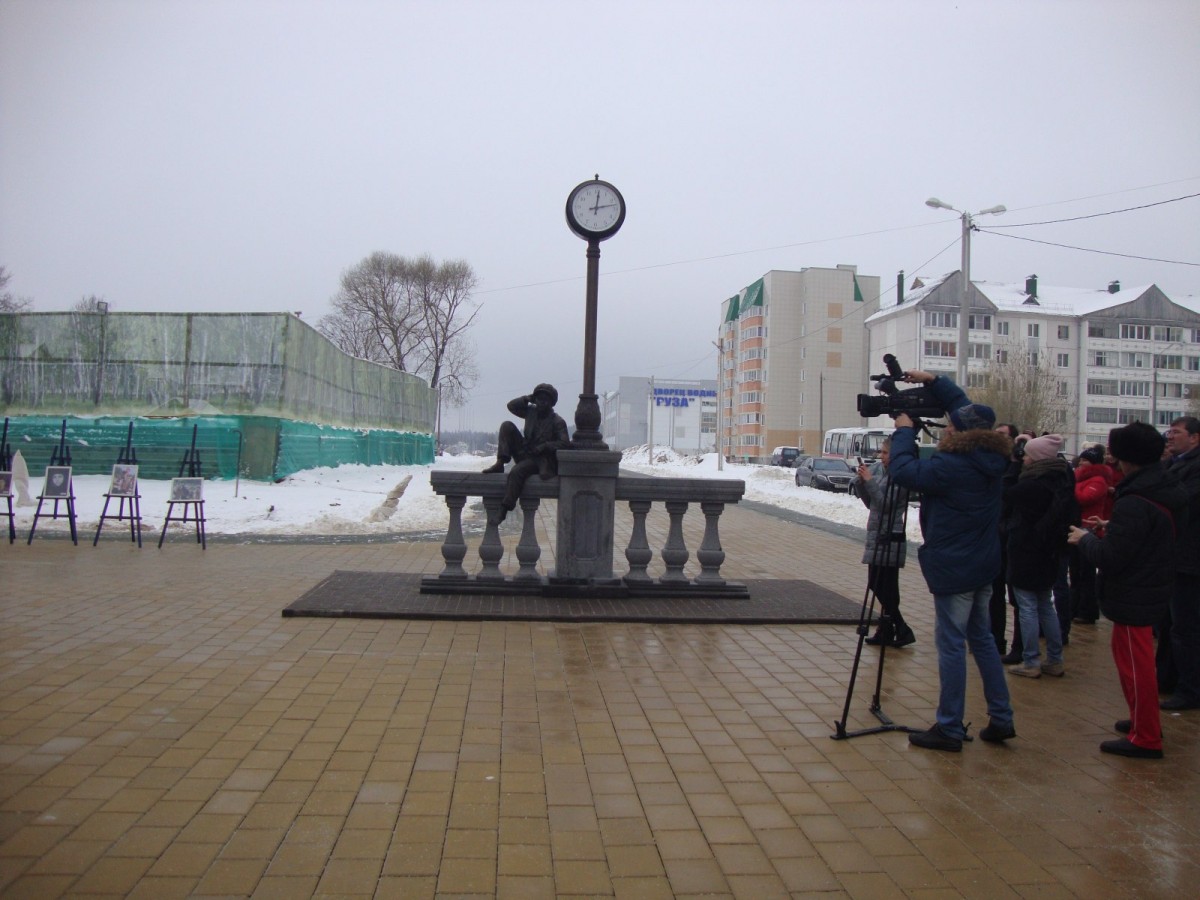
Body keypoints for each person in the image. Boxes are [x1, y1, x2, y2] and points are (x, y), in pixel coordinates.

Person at [888, 370, 1016, 752]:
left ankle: (949, 727)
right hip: (982, 563)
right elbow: (964, 408)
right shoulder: (990, 456)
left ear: (959, 434)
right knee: (983, 640)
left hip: (955, 567)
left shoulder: (953, 466)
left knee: (952, 645)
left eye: (949, 428)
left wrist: (904, 432)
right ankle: (1002, 717)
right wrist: (933, 380)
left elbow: (903, 471)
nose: (945, 430)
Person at [1068, 422, 1186, 759]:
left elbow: (1111, 556)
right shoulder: (1161, 486)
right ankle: (1142, 720)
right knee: (1136, 664)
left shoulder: (1136, 499)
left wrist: (1085, 539)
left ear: (1127, 457)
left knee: (1136, 667)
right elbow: (1148, 532)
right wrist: (1112, 527)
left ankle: (1146, 737)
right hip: (1149, 583)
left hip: (1135, 590)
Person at [1002, 434, 1073, 679]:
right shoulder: (1061, 479)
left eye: (1028, 454)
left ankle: (1031, 660)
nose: (1024, 458)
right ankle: (1055, 659)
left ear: (1038, 458)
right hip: (1048, 551)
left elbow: (1006, 492)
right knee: (1045, 605)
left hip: (1026, 550)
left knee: (1027, 607)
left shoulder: (1033, 485)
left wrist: (1013, 464)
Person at [853, 438, 915, 648]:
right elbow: (871, 504)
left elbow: (885, 504)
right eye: (881, 452)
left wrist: (869, 481)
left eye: (885, 453)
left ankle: (900, 627)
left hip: (890, 536)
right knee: (879, 583)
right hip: (876, 533)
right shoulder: (881, 471)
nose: (881, 457)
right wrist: (861, 483)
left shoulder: (900, 477)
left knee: (884, 585)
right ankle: (888, 629)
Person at [482, 384, 570, 522]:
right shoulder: (531, 412)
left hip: (539, 460)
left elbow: (564, 443)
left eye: (545, 400)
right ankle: (500, 463)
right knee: (506, 426)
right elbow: (511, 406)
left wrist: (545, 446)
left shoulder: (557, 421)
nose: (542, 403)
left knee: (517, 471)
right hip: (525, 451)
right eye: (539, 399)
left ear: (551, 403)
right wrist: (526, 399)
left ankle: (505, 508)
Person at [1159, 416, 1200, 711]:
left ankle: (1190, 689)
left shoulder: (1194, 468)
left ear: (1195, 438)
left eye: (1177, 432)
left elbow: (1180, 502)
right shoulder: (1173, 464)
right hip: (1175, 557)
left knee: (1186, 628)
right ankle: (1168, 678)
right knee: (1171, 625)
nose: (1170, 437)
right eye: (1169, 431)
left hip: (1189, 559)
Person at [1069, 445, 1114, 626]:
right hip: (1078, 527)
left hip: (1090, 528)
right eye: (1080, 460)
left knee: (1086, 573)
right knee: (1075, 572)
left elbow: (1085, 498)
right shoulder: (1080, 478)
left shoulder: (1098, 480)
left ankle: (1087, 610)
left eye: (1085, 461)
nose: (1081, 463)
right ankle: (1075, 607)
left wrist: (1071, 489)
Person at [991, 423, 1021, 658]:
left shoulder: (1020, 467)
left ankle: (1019, 647)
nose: (996, 437)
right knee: (994, 593)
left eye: (1002, 434)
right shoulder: (994, 464)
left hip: (1014, 539)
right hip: (995, 538)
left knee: (1018, 598)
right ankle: (995, 640)